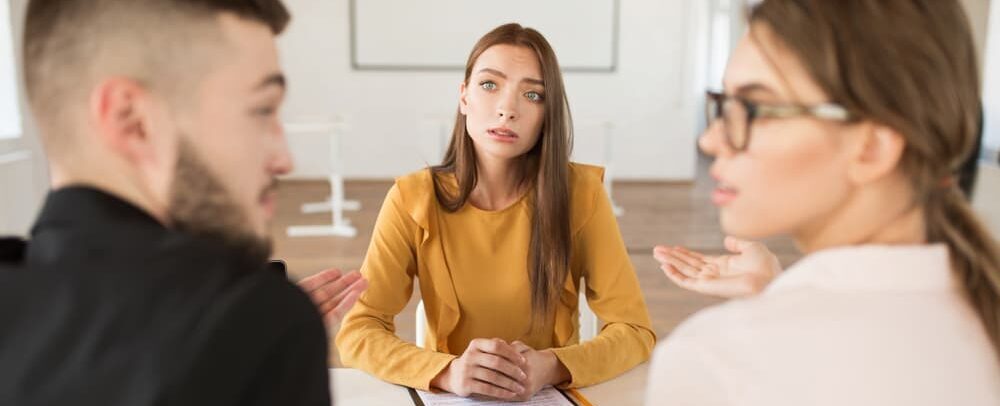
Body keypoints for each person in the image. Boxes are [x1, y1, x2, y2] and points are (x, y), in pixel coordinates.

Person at [0, 0, 365, 404]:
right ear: (132, 120)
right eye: (262, 110)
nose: (284, 159)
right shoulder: (262, 319)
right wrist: (262, 334)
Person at [647, 0, 1000, 404]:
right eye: (722, 103)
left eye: (755, 108)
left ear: (871, 148)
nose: (710, 140)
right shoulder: (975, 314)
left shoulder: (715, 359)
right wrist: (776, 294)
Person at [336, 23, 654, 401]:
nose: (507, 109)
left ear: (547, 115)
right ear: (464, 97)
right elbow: (359, 332)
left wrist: (551, 365)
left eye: (533, 95)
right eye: (490, 85)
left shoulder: (582, 194)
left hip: (549, 396)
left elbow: (634, 331)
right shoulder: (412, 198)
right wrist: (447, 372)